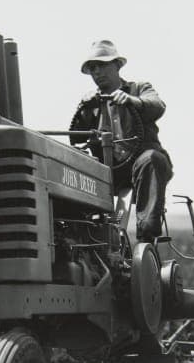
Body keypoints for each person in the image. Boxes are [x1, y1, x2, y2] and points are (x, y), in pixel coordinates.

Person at [70, 39, 173, 243]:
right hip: (108, 171)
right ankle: (84, 240)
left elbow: (157, 106)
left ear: (117, 65)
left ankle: (146, 238)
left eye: (102, 65)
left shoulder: (139, 88)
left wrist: (133, 102)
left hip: (139, 162)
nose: (97, 72)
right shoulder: (91, 102)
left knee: (152, 159)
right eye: (93, 68)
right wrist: (85, 110)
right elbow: (75, 138)